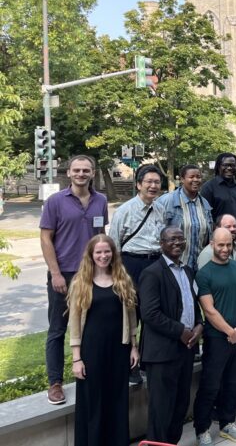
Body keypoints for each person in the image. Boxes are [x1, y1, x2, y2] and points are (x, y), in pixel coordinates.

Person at [40, 155, 108, 405]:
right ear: (68, 173)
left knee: (92, 327)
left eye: (86, 170)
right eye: (77, 170)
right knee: (58, 330)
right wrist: (55, 273)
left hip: (92, 274)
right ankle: (55, 382)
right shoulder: (55, 202)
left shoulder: (100, 200)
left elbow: (100, 237)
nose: (81, 174)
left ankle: (90, 372)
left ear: (92, 173)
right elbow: (46, 239)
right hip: (64, 275)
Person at [68, 235, 138, 446]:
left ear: (113, 253)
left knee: (117, 401)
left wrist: (133, 347)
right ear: (91, 255)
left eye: (107, 251)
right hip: (92, 352)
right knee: (94, 403)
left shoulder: (122, 280)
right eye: (98, 252)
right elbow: (74, 324)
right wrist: (76, 358)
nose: (103, 256)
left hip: (119, 350)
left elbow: (132, 317)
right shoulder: (82, 283)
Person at [139, 226, 203, 444]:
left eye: (180, 239)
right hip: (162, 353)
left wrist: (199, 326)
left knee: (180, 406)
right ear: (161, 244)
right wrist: (181, 332)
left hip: (185, 349)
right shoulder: (152, 273)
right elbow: (149, 313)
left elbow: (193, 304)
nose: (177, 242)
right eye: (171, 239)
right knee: (161, 409)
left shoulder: (187, 271)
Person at [192, 228, 236, 445]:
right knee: (211, 385)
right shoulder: (204, 274)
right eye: (221, 245)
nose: (225, 249)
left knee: (233, 382)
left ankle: (227, 423)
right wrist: (230, 331)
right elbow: (209, 310)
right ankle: (202, 428)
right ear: (211, 244)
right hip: (217, 338)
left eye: (229, 245)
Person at [109, 164, 166, 289]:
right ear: (139, 185)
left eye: (157, 182)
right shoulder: (124, 211)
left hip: (157, 262)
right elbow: (114, 244)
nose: (153, 186)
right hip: (133, 264)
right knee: (135, 304)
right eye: (149, 182)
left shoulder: (161, 209)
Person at [156, 164, 213, 272]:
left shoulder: (204, 204)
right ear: (182, 179)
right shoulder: (167, 201)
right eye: (191, 177)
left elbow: (208, 238)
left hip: (199, 267)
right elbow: (157, 234)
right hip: (173, 266)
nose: (196, 180)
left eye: (198, 177)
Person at [200, 153, 236, 229]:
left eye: (232, 165)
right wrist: (221, 235)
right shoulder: (208, 187)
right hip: (217, 237)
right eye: (225, 165)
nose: (229, 168)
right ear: (219, 167)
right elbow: (205, 216)